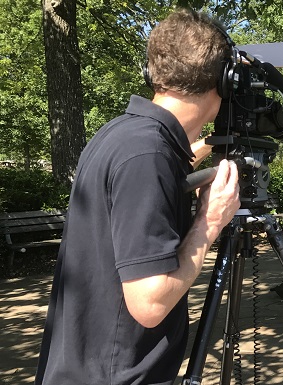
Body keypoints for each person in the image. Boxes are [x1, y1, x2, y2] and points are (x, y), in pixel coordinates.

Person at [34, 9, 240, 385]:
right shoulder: (148, 155)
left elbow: (151, 177)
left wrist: (206, 147)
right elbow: (150, 303)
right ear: (222, 83)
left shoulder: (122, 134)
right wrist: (210, 222)